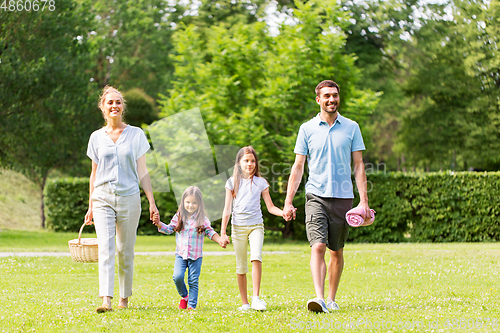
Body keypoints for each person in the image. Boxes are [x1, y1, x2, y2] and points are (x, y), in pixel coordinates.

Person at [283, 80, 371, 313]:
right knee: (318, 246)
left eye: (335, 95)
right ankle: (319, 298)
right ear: (318, 100)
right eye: (327, 96)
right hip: (316, 196)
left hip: (343, 198)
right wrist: (288, 201)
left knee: (336, 250)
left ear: (338, 98)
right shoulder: (307, 128)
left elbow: (359, 165)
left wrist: (364, 201)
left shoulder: (352, 127)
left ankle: (331, 298)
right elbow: (298, 166)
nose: (331, 100)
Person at [84, 85, 159, 313]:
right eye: (110, 102)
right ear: (102, 107)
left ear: (122, 106)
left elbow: (143, 171)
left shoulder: (136, 134)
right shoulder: (96, 137)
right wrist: (90, 205)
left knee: (125, 250)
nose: (114, 105)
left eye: (118, 102)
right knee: (106, 248)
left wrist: (152, 202)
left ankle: (123, 298)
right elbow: (94, 174)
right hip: (103, 198)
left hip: (129, 197)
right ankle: (105, 299)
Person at [220, 146, 283, 311]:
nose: (250, 164)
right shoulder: (232, 182)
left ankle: (256, 298)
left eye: (253, 160)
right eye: (246, 160)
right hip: (237, 227)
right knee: (241, 266)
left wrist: (283, 213)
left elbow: (270, 207)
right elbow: (227, 208)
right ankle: (245, 303)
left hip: (256, 226)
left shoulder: (261, 183)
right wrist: (223, 232)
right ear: (239, 163)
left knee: (256, 257)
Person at [152, 186, 227, 310]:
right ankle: (184, 296)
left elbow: (210, 232)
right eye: (187, 202)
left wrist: (219, 240)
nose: (190, 205)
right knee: (177, 277)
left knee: (193, 281)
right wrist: (159, 223)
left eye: (194, 203)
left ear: (199, 204)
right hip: (181, 255)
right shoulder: (178, 217)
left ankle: (191, 306)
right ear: (183, 202)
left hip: (195, 256)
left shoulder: (202, 219)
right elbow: (169, 229)